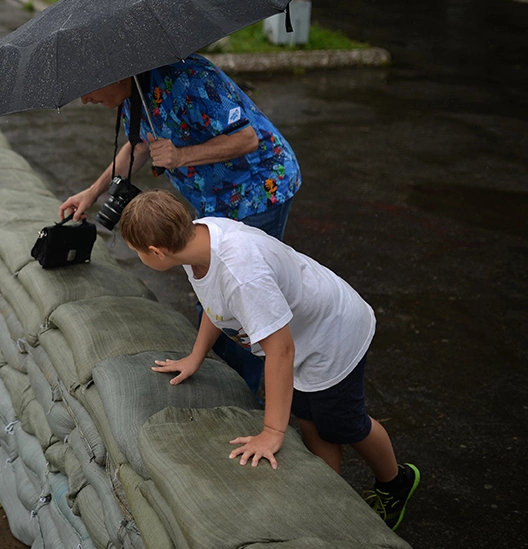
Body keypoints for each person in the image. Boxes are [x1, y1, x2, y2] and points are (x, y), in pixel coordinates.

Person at [118, 189, 420, 530]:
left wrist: (272, 431)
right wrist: (195, 356)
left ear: (157, 251)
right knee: (310, 418)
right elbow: (217, 305)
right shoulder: (195, 241)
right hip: (301, 336)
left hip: (331, 336)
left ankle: (395, 483)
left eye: (137, 252)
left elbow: (281, 351)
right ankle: (326, 501)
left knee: (344, 423)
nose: (138, 257)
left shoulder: (241, 275)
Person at [59, 54, 301, 395]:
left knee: (242, 295)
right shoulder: (133, 92)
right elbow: (140, 145)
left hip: (259, 189)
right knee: (212, 287)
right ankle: (219, 373)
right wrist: (92, 192)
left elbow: (247, 139)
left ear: (115, 75)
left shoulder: (191, 78)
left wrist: (182, 156)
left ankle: (245, 395)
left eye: (87, 89)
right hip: (212, 199)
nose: (85, 99)